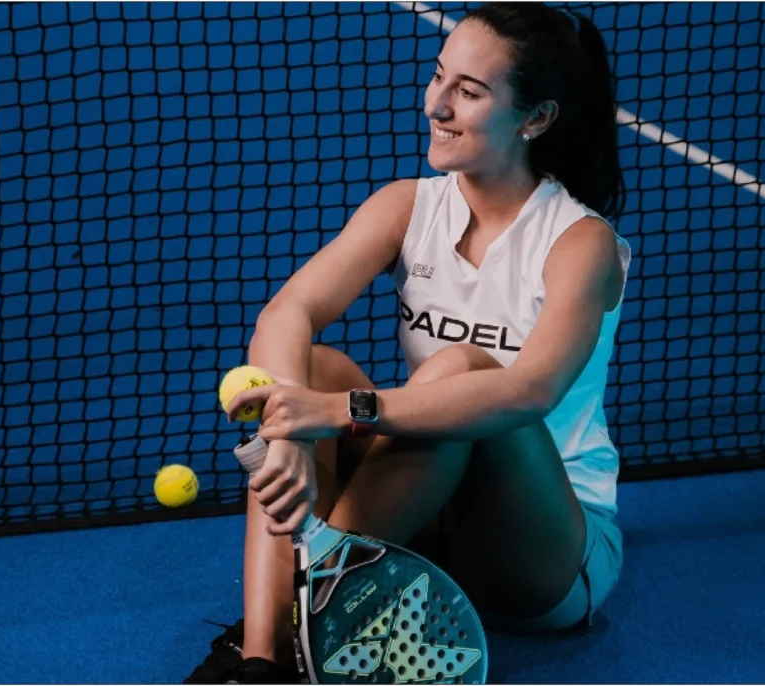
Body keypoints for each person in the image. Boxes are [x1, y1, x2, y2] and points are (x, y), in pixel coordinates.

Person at [185, 3, 631, 683]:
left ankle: (300, 620)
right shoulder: (407, 205)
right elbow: (288, 312)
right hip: (427, 506)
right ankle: (261, 661)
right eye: (438, 77)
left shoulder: (581, 243)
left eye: (469, 92)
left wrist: (340, 414)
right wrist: (288, 437)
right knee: (309, 367)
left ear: (535, 120)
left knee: (456, 371)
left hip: (547, 547)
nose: (436, 105)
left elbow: (526, 391)